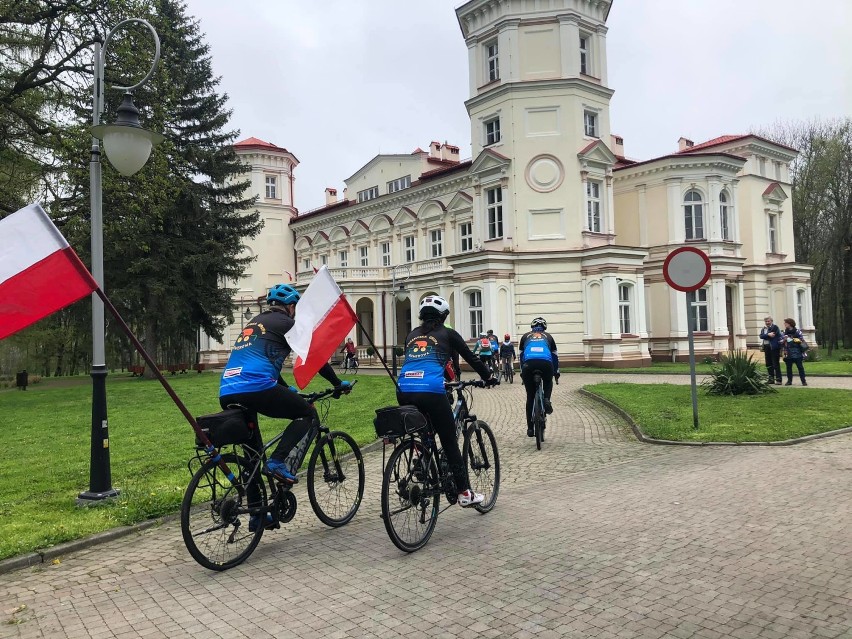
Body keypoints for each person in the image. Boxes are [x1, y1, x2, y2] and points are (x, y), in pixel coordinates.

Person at [219, 283, 349, 487]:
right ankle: (277, 461)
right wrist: (337, 383)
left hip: (227, 390)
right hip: (256, 388)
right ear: (291, 307)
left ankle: (260, 517)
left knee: (252, 459)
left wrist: (286, 387)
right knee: (306, 413)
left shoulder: (254, 322)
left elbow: (266, 362)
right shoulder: (288, 325)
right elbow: (314, 357)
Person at [398, 295, 498, 507]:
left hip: (404, 390)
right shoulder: (448, 334)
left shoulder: (411, 335)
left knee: (425, 429)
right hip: (432, 391)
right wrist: (488, 376)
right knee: (449, 440)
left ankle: (423, 462)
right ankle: (464, 493)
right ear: (443, 316)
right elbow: (472, 358)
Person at [519, 317, 559, 437]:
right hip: (546, 363)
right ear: (544, 328)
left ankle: (530, 428)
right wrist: (556, 372)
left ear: (532, 328)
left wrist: (523, 372)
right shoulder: (549, 337)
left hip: (528, 364)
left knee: (530, 396)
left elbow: (521, 357)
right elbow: (555, 357)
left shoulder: (525, 336)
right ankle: (546, 399)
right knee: (548, 381)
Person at [781, 318, 808, 386]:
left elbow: (801, 340)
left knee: (800, 367)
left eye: (785, 323)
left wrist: (792, 339)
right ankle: (789, 381)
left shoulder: (797, 331)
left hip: (797, 351)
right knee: (788, 367)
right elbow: (780, 341)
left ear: (790, 323)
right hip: (788, 352)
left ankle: (803, 381)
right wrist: (784, 339)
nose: (784, 324)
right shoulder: (784, 332)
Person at [759, 316, 783, 384]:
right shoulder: (763, 329)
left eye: (768, 321)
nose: (767, 323)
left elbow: (772, 335)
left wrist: (766, 335)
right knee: (768, 364)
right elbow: (761, 336)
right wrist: (767, 334)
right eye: (766, 321)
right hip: (766, 347)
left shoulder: (775, 327)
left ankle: (778, 380)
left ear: (771, 321)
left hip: (774, 347)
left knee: (775, 364)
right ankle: (771, 379)